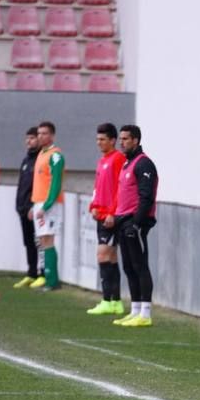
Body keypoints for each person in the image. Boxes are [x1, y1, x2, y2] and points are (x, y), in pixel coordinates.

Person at [112, 125, 158, 327]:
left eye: (126, 139)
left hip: (134, 221)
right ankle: (135, 310)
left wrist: (137, 223)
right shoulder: (127, 164)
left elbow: (146, 197)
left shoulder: (144, 164)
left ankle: (146, 313)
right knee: (129, 267)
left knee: (140, 265)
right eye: (121, 138)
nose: (121, 142)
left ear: (136, 140)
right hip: (123, 220)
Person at [87, 123, 126, 316]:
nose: (99, 143)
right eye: (97, 139)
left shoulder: (118, 158)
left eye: (102, 139)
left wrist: (112, 212)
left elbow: (121, 188)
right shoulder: (102, 161)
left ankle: (107, 300)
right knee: (110, 257)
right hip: (100, 215)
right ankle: (115, 302)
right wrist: (93, 206)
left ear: (113, 140)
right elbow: (97, 186)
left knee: (103, 255)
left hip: (110, 217)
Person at [29, 121, 64, 292]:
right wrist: (34, 205)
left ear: (52, 136)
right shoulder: (41, 154)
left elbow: (56, 183)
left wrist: (47, 205)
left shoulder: (55, 155)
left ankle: (52, 281)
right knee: (43, 241)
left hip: (49, 203)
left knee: (48, 240)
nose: (40, 136)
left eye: (44, 133)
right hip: (39, 202)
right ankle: (49, 279)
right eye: (39, 133)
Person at [13, 127, 42, 289]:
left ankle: (42, 273)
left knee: (39, 242)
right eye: (27, 138)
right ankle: (31, 273)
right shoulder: (26, 160)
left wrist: (33, 205)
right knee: (28, 242)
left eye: (32, 138)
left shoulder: (40, 160)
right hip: (22, 208)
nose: (28, 141)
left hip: (34, 209)